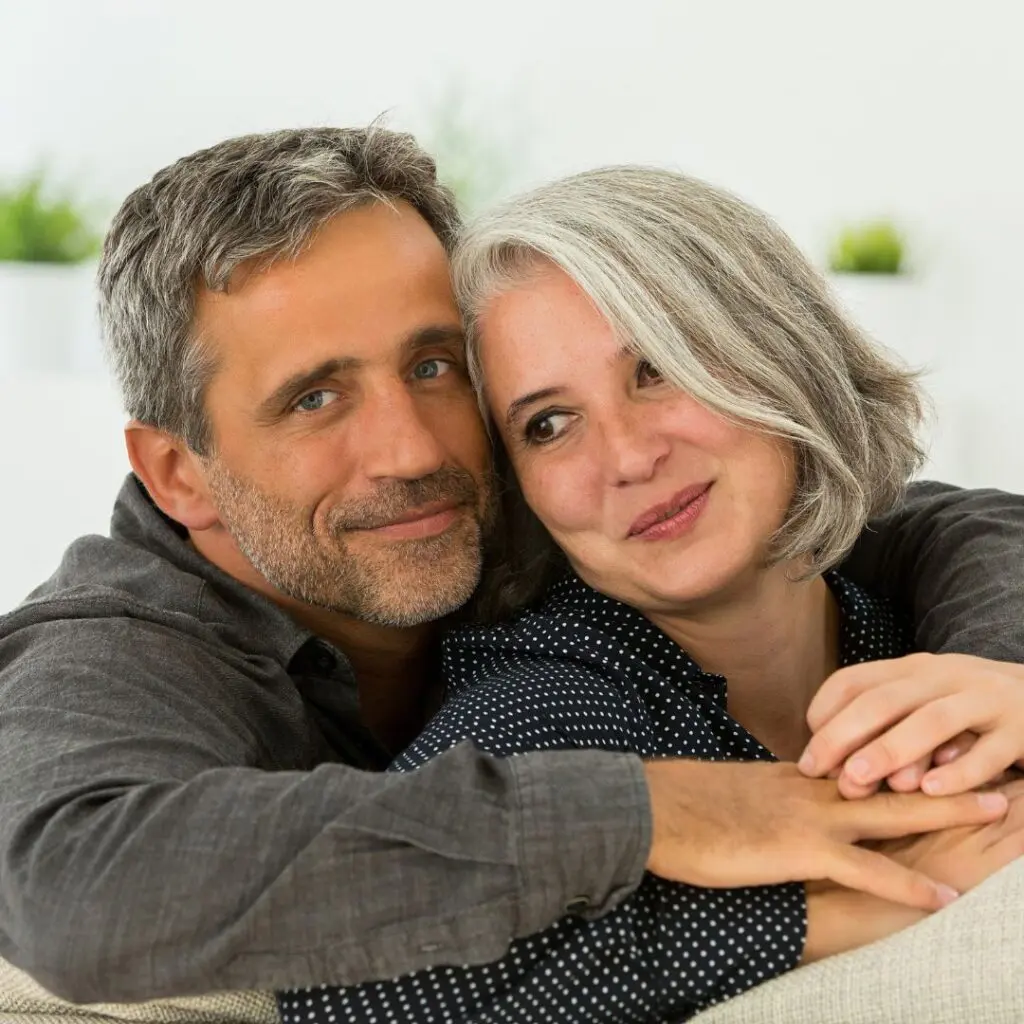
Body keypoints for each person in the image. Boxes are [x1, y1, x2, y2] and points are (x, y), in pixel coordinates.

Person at [0, 128, 1021, 1006]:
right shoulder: (111, 656)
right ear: (181, 473)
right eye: (315, 398)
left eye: (433, 365)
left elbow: (913, 522)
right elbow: (77, 891)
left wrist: (989, 694)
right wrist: (650, 812)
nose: (412, 451)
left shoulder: (510, 502)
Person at [288, 164, 1024, 1023]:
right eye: (549, 425)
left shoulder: (904, 620)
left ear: (778, 351)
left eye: (655, 370)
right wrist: (846, 909)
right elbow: (349, 984)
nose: (630, 457)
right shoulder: (549, 704)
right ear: (519, 490)